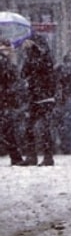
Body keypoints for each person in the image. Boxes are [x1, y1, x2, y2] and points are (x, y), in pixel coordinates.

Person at [21, 33, 57, 166]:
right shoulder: (32, 57)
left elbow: (37, 70)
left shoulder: (43, 57)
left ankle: (47, 157)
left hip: (44, 97)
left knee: (43, 129)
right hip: (36, 96)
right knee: (30, 128)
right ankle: (33, 156)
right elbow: (24, 73)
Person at [0, 38, 28, 166]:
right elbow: (10, 79)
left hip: (6, 100)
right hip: (4, 99)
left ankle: (15, 156)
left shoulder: (6, 62)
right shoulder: (4, 63)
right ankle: (15, 157)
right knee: (8, 129)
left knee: (8, 129)